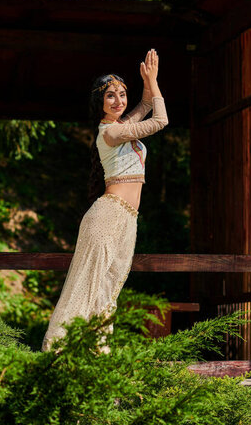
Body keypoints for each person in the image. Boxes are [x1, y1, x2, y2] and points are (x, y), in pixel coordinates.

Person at [41, 49, 168, 352]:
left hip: (126, 220)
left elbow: (148, 104)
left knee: (106, 295)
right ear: (99, 101)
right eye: (111, 95)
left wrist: (150, 82)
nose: (119, 101)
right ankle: (55, 360)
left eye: (122, 94)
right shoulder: (110, 132)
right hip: (107, 217)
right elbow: (160, 118)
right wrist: (152, 81)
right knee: (83, 291)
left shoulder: (121, 128)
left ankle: (96, 363)